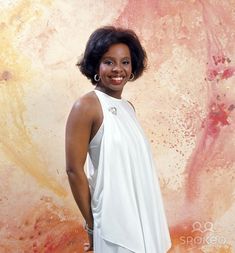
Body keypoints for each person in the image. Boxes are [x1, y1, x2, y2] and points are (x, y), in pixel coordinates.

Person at [65, 26, 172, 253]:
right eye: (108, 61)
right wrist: (93, 227)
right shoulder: (87, 106)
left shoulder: (128, 108)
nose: (118, 69)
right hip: (115, 224)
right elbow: (74, 170)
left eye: (125, 62)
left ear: (133, 67)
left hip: (145, 217)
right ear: (95, 65)